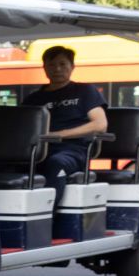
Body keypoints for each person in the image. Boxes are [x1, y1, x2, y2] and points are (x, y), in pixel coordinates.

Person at [20, 46, 108, 198]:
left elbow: (100, 125)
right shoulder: (33, 99)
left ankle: (50, 216)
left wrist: (58, 135)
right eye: (52, 65)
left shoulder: (85, 91)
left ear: (72, 67)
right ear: (44, 68)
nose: (57, 69)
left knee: (56, 162)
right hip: (38, 150)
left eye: (62, 64)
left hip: (73, 151)